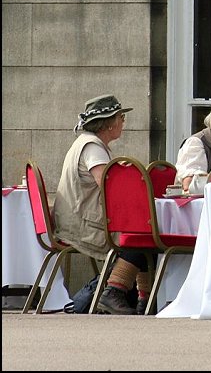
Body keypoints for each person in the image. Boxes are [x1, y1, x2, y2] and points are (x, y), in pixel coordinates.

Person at [54, 94, 148, 314]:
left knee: (144, 231)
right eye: (121, 117)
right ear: (109, 123)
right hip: (82, 226)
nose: (123, 121)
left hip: (80, 219)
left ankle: (143, 298)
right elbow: (110, 188)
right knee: (141, 235)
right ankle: (114, 292)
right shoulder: (92, 147)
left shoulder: (89, 144)